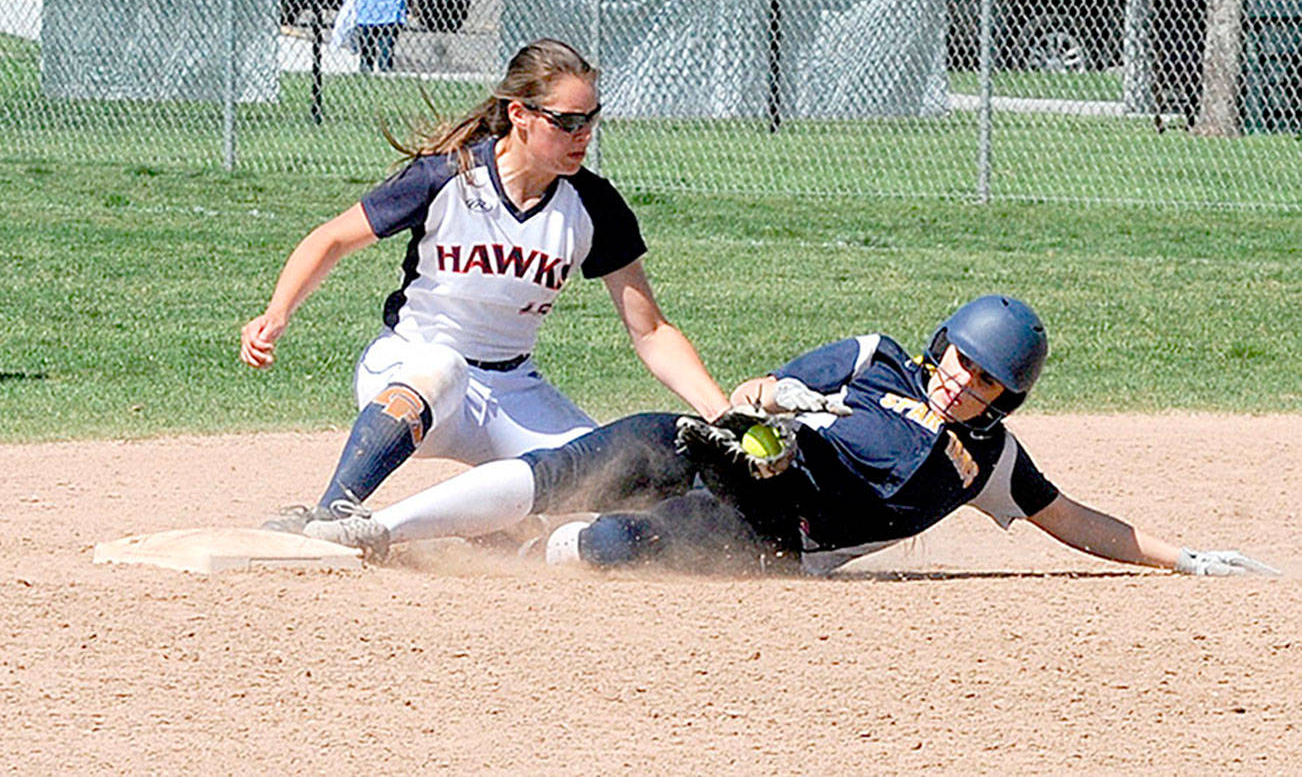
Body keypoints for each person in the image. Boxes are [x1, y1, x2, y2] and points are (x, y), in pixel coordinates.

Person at [303, 295, 1278, 579]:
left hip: (780, 536)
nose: (960, 378)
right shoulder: (876, 357)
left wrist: (1183, 558)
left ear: (1004, 398)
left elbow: (1079, 523)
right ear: (939, 345)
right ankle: (375, 526)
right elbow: (767, 384)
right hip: (745, 455)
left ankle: (495, 547)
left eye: (984, 377)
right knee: (618, 449)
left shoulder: (988, 462)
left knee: (620, 544)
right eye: (958, 358)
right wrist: (767, 408)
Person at [241, 39, 730, 532]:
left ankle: (480, 535)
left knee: (596, 478)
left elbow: (649, 331)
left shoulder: (593, 204)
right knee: (443, 367)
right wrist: (277, 313)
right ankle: (333, 510)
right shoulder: (448, 176)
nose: (582, 134)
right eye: (567, 121)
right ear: (520, 114)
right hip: (410, 367)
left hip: (512, 387)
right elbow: (331, 239)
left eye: (590, 118)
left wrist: (723, 412)